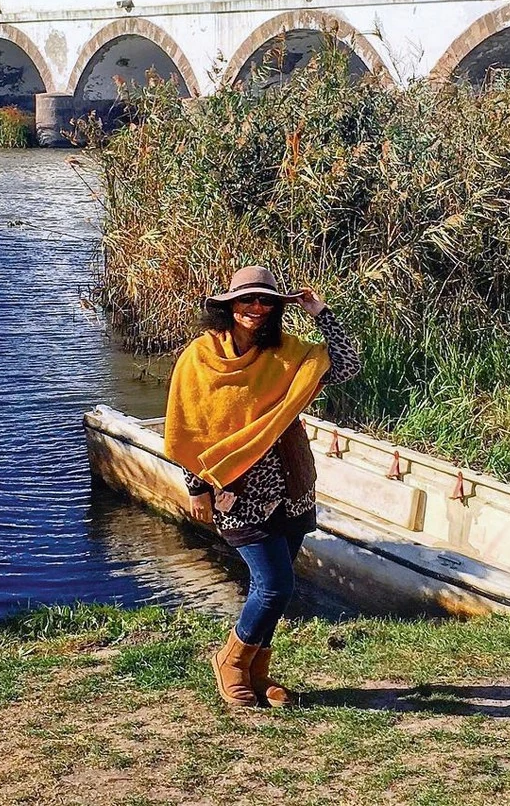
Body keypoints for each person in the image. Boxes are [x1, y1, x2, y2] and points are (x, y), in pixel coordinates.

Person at [164, 265, 360, 707]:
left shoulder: (290, 353)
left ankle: (257, 673)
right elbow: (191, 428)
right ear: (230, 306)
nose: (256, 308)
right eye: (247, 300)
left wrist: (320, 312)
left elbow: (348, 364)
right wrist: (197, 486)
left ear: (276, 308)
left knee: (272, 585)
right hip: (237, 490)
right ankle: (231, 661)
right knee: (275, 585)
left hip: (290, 482)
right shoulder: (201, 357)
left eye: (266, 300)